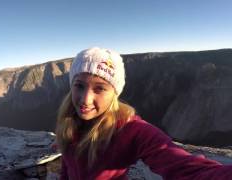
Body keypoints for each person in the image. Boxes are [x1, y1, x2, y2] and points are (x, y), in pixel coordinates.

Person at [55, 47, 232, 180]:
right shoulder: (69, 121)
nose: (85, 99)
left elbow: (185, 167)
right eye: (79, 85)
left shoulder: (130, 130)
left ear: (115, 93)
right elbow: (67, 164)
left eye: (99, 88)